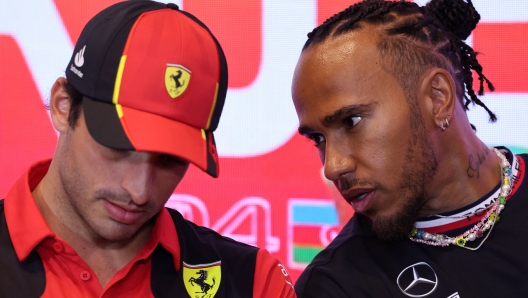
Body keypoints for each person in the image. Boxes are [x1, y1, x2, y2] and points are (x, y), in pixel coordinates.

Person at [0, 1, 296, 297]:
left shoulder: (253, 282)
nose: (140, 192)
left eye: (170, 159)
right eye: (119, 147)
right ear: (63, 106)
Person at [292, 0, 528, 297]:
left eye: (351, 121)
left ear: (437, 98)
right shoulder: (334, 285)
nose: (333, 166)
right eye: (318, 139)